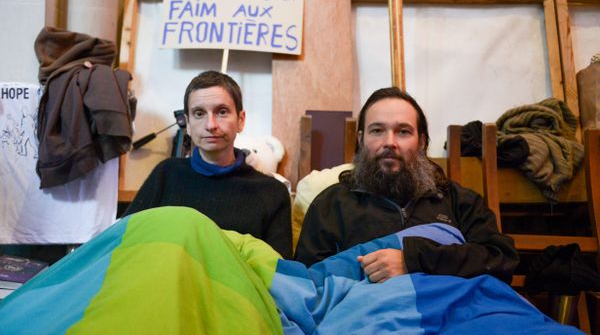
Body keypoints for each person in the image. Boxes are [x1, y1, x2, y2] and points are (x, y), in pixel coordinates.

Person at [294, 87, 519, 283]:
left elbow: (501, 260)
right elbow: (308, 284)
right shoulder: (330, 205)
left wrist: (413, 260)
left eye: (403, 131)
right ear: (361, 140)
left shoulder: (460, 202)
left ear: (421, 142)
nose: (389, 142)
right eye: (377, 130)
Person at [124, 71, 292, 258]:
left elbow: (279, 273)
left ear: (241, 120)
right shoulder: (166, 174)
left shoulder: (272, 193)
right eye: (199, 113)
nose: (210, 125)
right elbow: (126, 242)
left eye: (222, 112)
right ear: (187, 123)